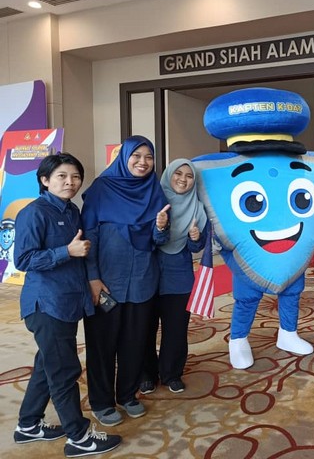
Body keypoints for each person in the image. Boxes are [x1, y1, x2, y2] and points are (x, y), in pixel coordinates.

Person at [13, 153, 121, 457]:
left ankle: (28, 424)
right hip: (47, 304)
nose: (70, 182)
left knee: (47, 365)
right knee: (63, 370)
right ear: (45, 180)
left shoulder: (72, 210)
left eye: (75, 176)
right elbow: (23, 259)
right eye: (62, 176)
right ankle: (79, 437)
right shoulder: (34, 213)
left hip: (67, 301)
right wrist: (66, 251)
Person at [81, 136, 169, 427]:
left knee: (135, 342)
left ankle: (127, 395)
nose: (143, 162)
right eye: (137, 156)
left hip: (143, 282)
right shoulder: (101, 189)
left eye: (149, 157)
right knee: (102, 345)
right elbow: (89, 238)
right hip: (107, 283)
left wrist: (160, 228)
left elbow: (158, 241)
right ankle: (102, 401)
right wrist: (93, 278)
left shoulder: (154, 191)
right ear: (124, 157)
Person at [140, 159, 208, 395]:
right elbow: (148, 240)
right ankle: (147, 374)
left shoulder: (197, 208)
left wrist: (195, 237)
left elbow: (196, 247)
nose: (183, 179)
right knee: (145, 328)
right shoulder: (153, 202)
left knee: (176, 329)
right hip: (148, 274)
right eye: (178, 173)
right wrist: (160, 227)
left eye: (189, 176)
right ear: (169, 175)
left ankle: (171, 374)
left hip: (179, 276)